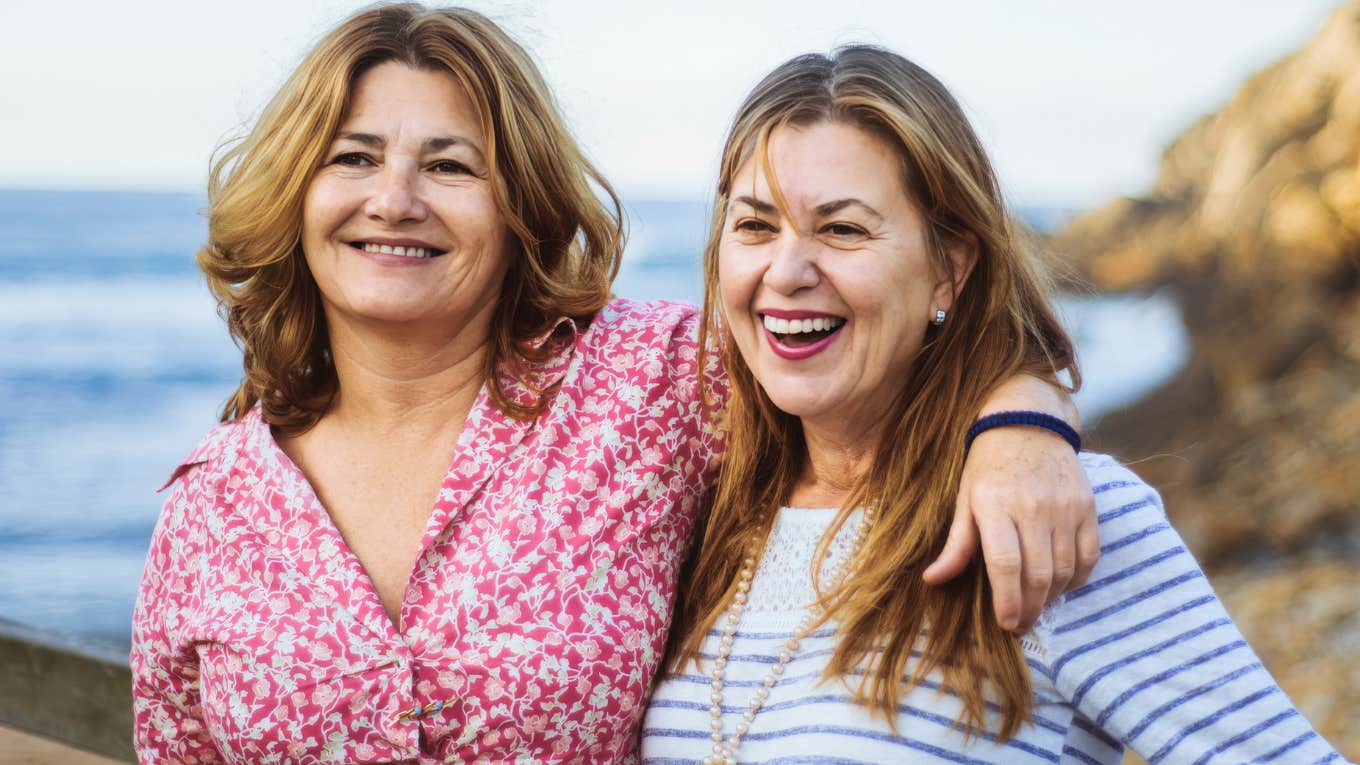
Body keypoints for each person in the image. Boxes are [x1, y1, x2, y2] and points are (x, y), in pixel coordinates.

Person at [130, 6, 1097, 763]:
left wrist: (1020, 425)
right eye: (354, 158)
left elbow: (872, 348)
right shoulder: (214, 504)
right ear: (297, 192)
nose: (395, 199)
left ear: (518, 205)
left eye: (450, 165)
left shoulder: (646, 385)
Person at [640, 46, 1352, 765]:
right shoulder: (696, 505)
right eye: (756, 226)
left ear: (949, 269)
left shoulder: (1056, 515)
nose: (786, 272)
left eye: (843, 228)